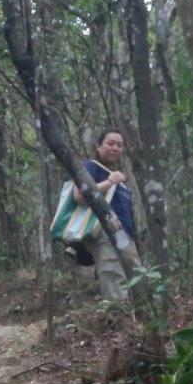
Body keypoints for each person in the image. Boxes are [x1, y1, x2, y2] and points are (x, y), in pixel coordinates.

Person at [77, 129, 137, 302]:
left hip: (125, 234)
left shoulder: (120, 178)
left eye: (119, 145)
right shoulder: (91, 166)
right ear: (98, 146)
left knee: (133, 277)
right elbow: (79, 195)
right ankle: (119, 321)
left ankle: (134, 320)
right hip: (104, 232)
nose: (115, 148)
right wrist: (111, 181)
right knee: (112, 274)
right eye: (110, 143)